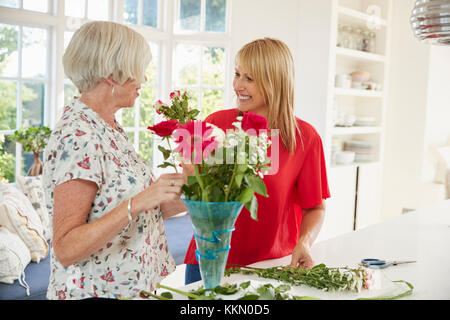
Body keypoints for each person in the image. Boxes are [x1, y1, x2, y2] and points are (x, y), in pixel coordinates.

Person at [43, 21, 187, 300]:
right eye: (137, 70)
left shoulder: (107, 127)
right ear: (112, 73)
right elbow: (66, 248)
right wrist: (141, 200)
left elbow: (131, 212)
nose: (143, 79)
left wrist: (193, 194)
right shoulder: (78, 135)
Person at [184, 38, 331, 285]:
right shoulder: (216, 124)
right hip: (209, 263)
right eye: (237, 74)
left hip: (272, 268)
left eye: (249, 79)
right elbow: (194, 192)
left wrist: (304, 243)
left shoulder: (304, 138)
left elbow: (314, 207)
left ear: (275, 83)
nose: (237, 85)